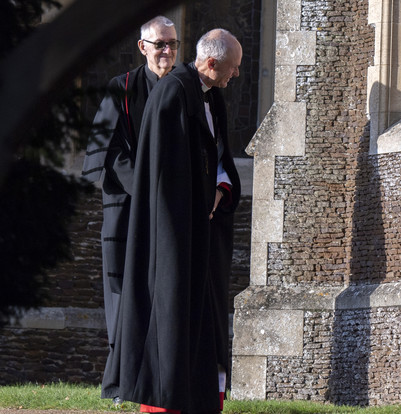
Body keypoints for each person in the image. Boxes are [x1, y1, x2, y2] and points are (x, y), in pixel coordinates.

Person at [105, 29, 242, 413]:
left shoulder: (211, 98)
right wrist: (199, 200)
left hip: (204, 234)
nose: (235, 77)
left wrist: (220, 188)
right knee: (171, 320)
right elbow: (164, 175)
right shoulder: (173, 94)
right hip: (175, 235)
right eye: (233, 68)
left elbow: (217, 158)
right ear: (212, 63)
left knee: (205, 327)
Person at [80, 15, 179, 403]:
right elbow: (110, 152)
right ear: (143, 48)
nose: (167, 51)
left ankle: (159, 384)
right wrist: (147, 189)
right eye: (160, 45)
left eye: (173, 43)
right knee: (123, 296)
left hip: (171, 212)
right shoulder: (120, 90)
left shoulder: (185, 89)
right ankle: (121, 384)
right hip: (126, 210)